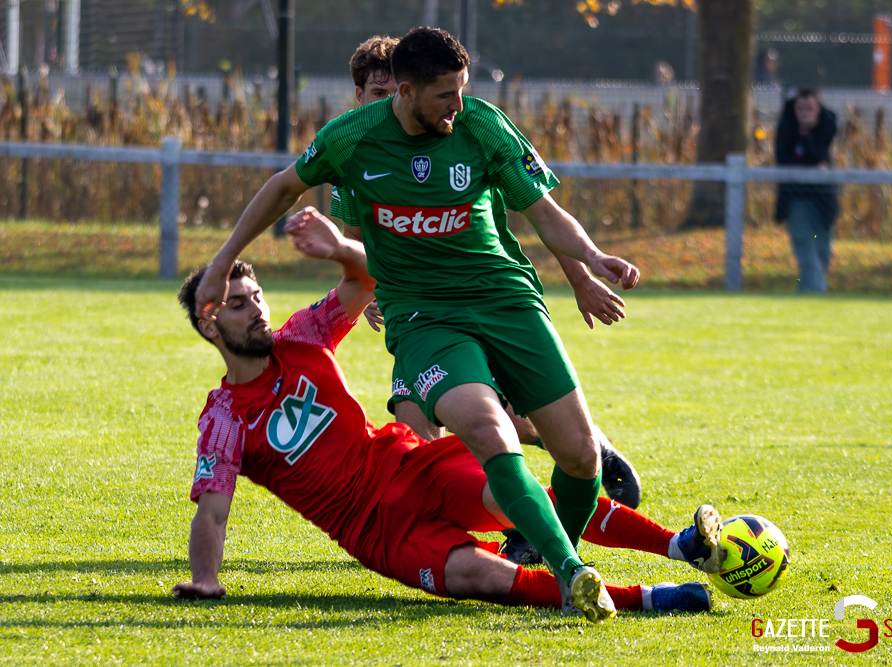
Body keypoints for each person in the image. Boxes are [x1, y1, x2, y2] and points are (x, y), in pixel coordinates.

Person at [195, 27, 642, 622]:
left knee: (581, 457)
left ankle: (556, 549)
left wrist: (590, 261)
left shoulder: (482, 125)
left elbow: (544, 213)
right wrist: (223, 262)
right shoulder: (352, 140)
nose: (457, 107)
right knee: (487, 431)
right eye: (444, 96)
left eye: (462, 92)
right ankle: (570, 574)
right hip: (424, 316)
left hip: (506, 301)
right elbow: (283, 189)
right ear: (403, 92)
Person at [172, 209, 726, 620]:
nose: (258, 309)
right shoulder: (222, 418)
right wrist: (205, 580)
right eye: (239, 303)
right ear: (209, 324)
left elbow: (368, 280)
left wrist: (340, 246)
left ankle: (679, 545)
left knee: (513, 498)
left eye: (258, 295)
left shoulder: (302, 337)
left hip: (410, 466)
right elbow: (213, 511)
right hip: (374, 532)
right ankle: (650, 600)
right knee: (480, 577)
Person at [333, 34, 642, 565]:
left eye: (389, 87)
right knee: (426, 433)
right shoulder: (356, 151)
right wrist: (371, 288)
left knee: (496, 424)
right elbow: (359, 243)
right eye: (373, 90)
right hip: (417, 315)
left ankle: (540, 517)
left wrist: (582, 275)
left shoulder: (465, 130)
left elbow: (539, 214)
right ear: (360, 93)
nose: (382, 99)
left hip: (487, 299)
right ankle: (470, 536)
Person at [775, 88, 838, 293]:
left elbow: (819, 154)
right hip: (796, 198)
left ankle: (805, 291)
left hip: (822, 198)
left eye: (809, 109)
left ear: (818, 109)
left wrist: (806, 135)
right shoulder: (786, 125)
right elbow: (784, 159)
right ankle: (817, 292)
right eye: (800, 109)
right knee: (804, 244)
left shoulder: (827, 124)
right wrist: (801, 135)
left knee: (822, 249)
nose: (804, 113)